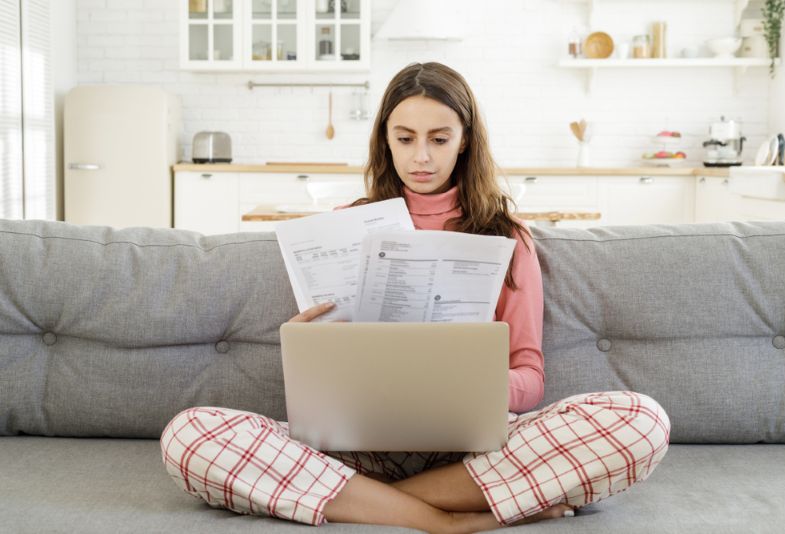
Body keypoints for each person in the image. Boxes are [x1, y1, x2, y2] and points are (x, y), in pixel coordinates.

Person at [160, 62, 670, 534]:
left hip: (474, 452)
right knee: (189, 436)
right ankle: (444, 518)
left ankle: (375, 504)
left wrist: (469, 385)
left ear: (465, 141)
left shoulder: (506, 236)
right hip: (362, 445)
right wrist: (304, 342)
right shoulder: (346, 224)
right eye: (404, 139)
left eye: (439, 138)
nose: (420, 156)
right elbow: (322, 376)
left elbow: (530, 377)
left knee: (640, 422)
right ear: (386, 140)